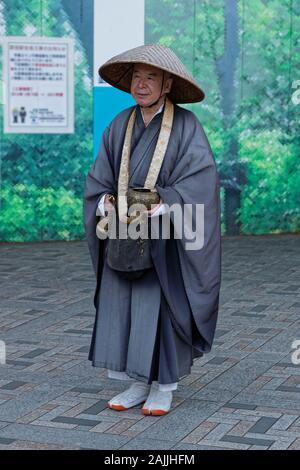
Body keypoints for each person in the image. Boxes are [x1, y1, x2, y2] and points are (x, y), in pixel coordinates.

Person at [83, 44, 221, 416]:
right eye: (137, 77)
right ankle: (137, 382)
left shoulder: (187, 126)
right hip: (124, 232)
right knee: (124, 305)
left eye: (151, 77)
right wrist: (105, 201)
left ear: (168, 83)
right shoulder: (119, 124)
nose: (141, 85)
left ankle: (164, 387)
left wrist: (168, 203)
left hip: (166, 238)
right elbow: (99, 177)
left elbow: (202, 183)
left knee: (159, 308)